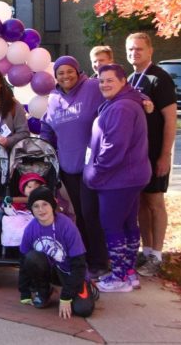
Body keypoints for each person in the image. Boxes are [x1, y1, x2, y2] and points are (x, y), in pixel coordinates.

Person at [84, 64, 151, 292]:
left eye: (110, 80)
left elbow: (113, 148)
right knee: (128, 224)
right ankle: (129, 273)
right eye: (101, 81)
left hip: (118, 179)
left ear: (123, 81)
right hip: (131, 177)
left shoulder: (121, 108)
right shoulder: (125, 102)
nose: (104, 84)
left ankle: (120, 277)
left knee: (112, 226)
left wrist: (95, 172)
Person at [40, 56, 109, 276]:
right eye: (60, 73)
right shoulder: (54, 98)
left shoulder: (93, 87)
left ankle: (100, 260)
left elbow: (120, 92)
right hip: (67, 167)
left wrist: (143, 98)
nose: (65, 76)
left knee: (91, 214)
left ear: (78, 72)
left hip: (92, 165)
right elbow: (47, 127)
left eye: (70, 71)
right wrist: (42, 147)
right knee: (77, 215)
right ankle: (85, 258)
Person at [126, 33, 176, 277]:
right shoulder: (130, 79)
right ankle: (146, 252)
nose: (134, 53)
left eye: (138, 49)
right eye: (130, 50)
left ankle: (157, 253)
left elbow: (169, 120)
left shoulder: (160, 78)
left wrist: (165, 155)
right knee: (142, 205)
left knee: (155, 202)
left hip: (155, 153)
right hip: (136, 156)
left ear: (150, 51)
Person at [18, 186, 96, 319]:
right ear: (31, 209)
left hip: (70, 272)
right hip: (49, 270)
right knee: (31, 257)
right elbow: (23, 261)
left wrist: (66, 297)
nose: (41, 210)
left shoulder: (67, 226)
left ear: (52, 205)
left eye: (44, 204)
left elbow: (79, 265)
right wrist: (24, 292)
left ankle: (87, 287)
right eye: (36, 206)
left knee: (83, 310)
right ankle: (44, 291)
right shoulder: (30, 229)